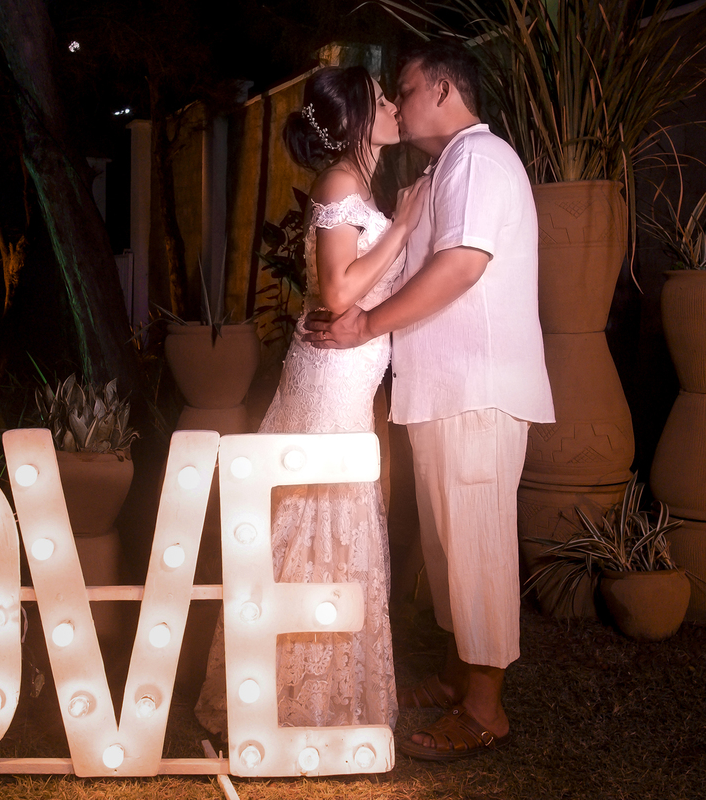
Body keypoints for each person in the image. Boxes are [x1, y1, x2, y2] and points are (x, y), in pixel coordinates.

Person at [304, 41, 554, 760]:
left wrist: (365, 327)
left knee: (475, 546)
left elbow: (463, 265)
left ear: (444, 90)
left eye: (406, 90)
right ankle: (454, 679)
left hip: (474, 390)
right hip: (447, 392)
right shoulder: (449, 169)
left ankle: (484, 710)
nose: (399, 103)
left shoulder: (476, 158)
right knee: (451, 548)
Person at [194, 65, 429, 735]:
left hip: (348, 373)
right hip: (331, 381)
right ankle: (288, 700)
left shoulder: (359, 184)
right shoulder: (340, 183)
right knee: (313, 518)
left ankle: (326, 695)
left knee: (338, 516)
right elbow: (337, 291)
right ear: (356, 119)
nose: (392, 107)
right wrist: (405, 229)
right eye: (382, 99)